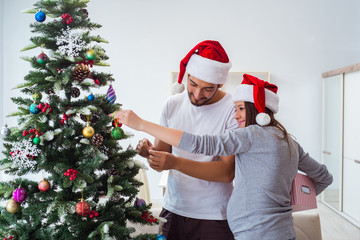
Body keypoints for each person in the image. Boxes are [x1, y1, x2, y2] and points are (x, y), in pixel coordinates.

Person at [112, 74, 333, 240]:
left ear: (257, 111)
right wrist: (288, 201)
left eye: (240, 109)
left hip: (254, 234)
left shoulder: (250, 135)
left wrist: (142, 124)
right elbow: (324, 178)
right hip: (281, 231)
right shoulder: (289, 141)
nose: (235, 116)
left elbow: (201, 143)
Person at [134, 40, 238, 239]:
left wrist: (174, 162)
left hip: (214, 215)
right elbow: (161, 161)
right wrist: (149, 153)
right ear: (187, 76)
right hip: (173, 210)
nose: (198, 95)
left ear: (220, 84)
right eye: (193, 84)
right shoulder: (172, 104)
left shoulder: (232, 110)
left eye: (208, 89)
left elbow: (226, 173)